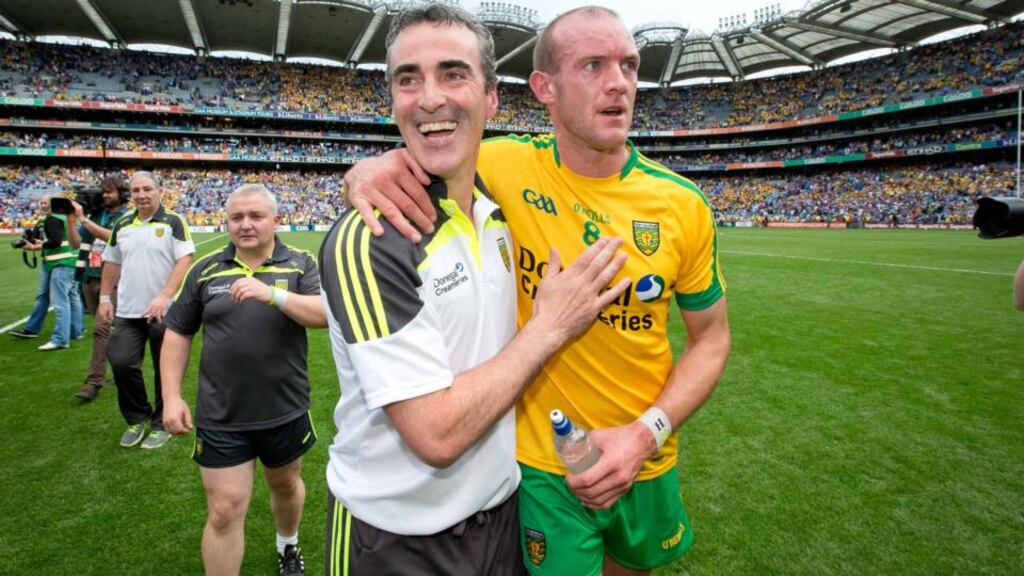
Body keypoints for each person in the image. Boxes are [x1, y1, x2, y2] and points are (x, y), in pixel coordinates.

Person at [343, 6, 731, 575]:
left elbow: (712, 340)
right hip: (541, 465)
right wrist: (367, 168)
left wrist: (646, 435)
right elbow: (431, 144)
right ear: (544, 87)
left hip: (645, 456)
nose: (619, 83)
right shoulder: (501, 166)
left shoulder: (682, 204)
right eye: (593, 66)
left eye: (629, 65)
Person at [318, 4, 629, 575]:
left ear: (491, 100)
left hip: (501, 520)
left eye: (453, 74)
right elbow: (436, 435)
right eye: (407, 79)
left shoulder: (499, 206)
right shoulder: (372, 240)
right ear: (392, 101)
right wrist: (553, 325)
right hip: (396, 542)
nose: (429, 97)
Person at [162, 184, 325, 576]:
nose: (245, 225)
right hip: (221, 413)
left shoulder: (300, 263)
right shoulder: (206, 269)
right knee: (223, 510)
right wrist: (170, 397)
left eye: (256, 217)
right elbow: (178, 332)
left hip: (283, 407)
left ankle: (288, 544)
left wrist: (272, 296)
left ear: (275, 221)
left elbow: (324, 315)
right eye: (237, 218)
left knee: (285, 486)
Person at [100, 171, 194, 450]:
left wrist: (165, 296)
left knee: (165, 368)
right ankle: (137, 417)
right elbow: (112, 262)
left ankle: (160, 422)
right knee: (120, 361)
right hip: (128, 312)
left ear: (159, 192)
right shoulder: (122, 224)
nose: (141, 195)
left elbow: (185, 259)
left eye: (147, 189)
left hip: (164, 311)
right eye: (136, 190)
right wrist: (105, 298)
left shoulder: (173, 221)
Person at [72, 177, 129, 400]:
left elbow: (112, 238)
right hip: (89, 276)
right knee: (110, 330)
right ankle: (120, 369)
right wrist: (70, 221)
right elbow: (77, 243)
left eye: (110, 192)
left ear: (121, 194)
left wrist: (82, 219)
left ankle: (93, 381)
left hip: (112, 280)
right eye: (103, 192)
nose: (105, 196)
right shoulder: (96, 216)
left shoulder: (125, 217)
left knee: (101, 329)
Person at [12, 195, 84, 350]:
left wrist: (37, 246)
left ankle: (60, 339)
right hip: (71, 260)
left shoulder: (53, 219)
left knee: (60, 302)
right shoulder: (65, 217)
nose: (43, 205)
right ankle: (76, 331)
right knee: (72, 298)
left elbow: (56, 241)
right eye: (41, 203)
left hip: (60, 262)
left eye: (46, 203)